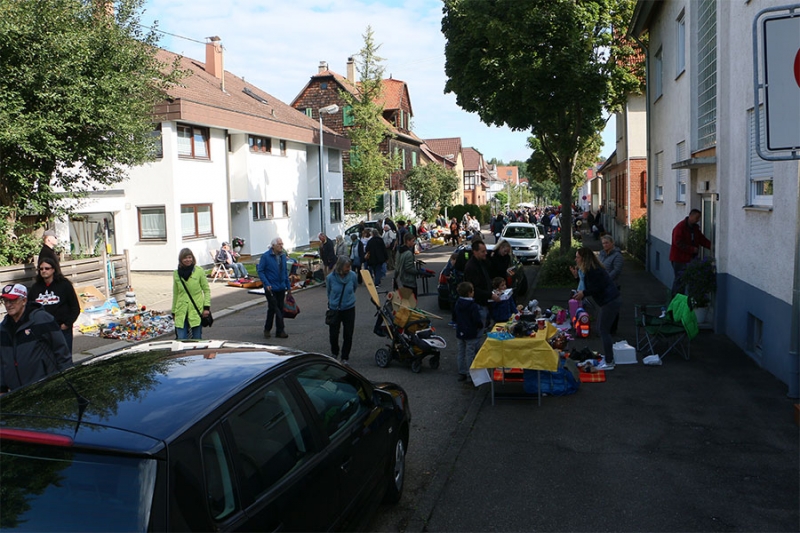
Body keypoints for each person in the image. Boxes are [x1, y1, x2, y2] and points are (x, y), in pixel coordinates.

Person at [1, 284, 72, 393]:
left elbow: (61, 351)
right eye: (5, 301)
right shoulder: (3, 328)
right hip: (16, 394)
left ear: (24, 300)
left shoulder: (42, 319)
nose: (8, 305)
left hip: (44, 388)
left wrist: (65, 381)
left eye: (13, 301)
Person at [572, 247, 620, 370]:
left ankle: (609, 361)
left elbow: (597, 287)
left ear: (584, 258)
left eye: (577, 257)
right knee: (601, 329)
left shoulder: (594, 271)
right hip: (608, 301)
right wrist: (578, 279)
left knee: (603, 330)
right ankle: (608, 357)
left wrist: (584, 293)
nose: (576, 259)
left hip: (610, 301)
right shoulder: (592, 270)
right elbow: (591, 286)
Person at [28, 257, 81, 352]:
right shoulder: (35, 288)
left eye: (47, 268)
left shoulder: (64, 285)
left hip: (61, 329)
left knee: (64, 359)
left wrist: (66, 324)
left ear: (53, 269)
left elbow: (75, 307)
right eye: (41, 269)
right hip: (42, 331)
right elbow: (29, 308)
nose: (44, 271)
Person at [669, 208, 712, 296]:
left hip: (689, 258)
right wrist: (692, 249)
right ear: (691, 216)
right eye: (697, 218)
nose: (698, 220)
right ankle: (675, 303)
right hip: (679, 259)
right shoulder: (680, 228)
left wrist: (712, 246)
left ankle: (685, 301)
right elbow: (678, 243)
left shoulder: (694, 228)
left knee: (687, 280)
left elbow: (701, 239)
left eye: (699, 218)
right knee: (680, 281)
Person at [172, 248, 211, 340]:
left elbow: (206, 290)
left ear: (193, 258)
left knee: (197, 339)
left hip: (196, 309)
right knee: (181, 339)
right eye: (185, 258)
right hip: (181, 310)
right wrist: (173, 311)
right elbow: (176, 293)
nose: (188, 260)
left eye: (190, 257)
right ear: (181, 260)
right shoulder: (176, 273)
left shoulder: (199, 271)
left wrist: (206, 307)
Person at [257, 237, 291, 339]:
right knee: (273, 308)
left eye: (282, 244)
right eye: (279, 244)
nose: (281, 246)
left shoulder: (282, 256)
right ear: (273, 246)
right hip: (270, 287)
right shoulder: (266, 256)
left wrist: (288, 286)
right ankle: (267, 329)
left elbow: (285, 271)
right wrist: (266, 283)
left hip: (281, 287)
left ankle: (280, 331)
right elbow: (261, 271)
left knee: (280, 308)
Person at [326, 256, 358, 364]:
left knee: (348, 334)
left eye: (349, 266)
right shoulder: (330, 278)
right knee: (333, 334)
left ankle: (345, 357)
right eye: (347, 267)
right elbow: (329, 292)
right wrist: (333, 303)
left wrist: (348, 300)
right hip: (335, 309)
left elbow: (354, 288)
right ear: (340, 266)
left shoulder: (353, 276)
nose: (349, 269)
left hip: (349, 308)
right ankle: (334, 352)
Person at [463, 240, 501, 330]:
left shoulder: (482, 262)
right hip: (478, 304)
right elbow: (474, 288)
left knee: (484, 328)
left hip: (485, 302)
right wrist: (490, 295)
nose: (485, 253)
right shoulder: (471, 267)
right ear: (475, 252)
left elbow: (490, 274)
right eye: (483, 251)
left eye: (485, 251)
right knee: (478, 331)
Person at [454, 281, 483, 383]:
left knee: (461, 352)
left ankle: (461, 372)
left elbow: (455, 316)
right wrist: (480, 326)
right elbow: (476, 319)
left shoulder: (458, 303)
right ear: (470, 292)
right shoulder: (472, 305)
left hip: (460, 330)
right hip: (470, 332)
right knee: (469, 353)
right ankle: (470, 374)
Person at [394, 233, 419, 297]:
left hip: (402, 279)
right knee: (412, 301)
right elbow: (408, 268)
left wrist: (395, 277)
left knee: (405, 301)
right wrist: (418, 272)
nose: (414, 243)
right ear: (408, 241)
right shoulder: (408, 253)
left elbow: (397, 265)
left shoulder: (399, 251)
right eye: (413, 241)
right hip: (409, 280)